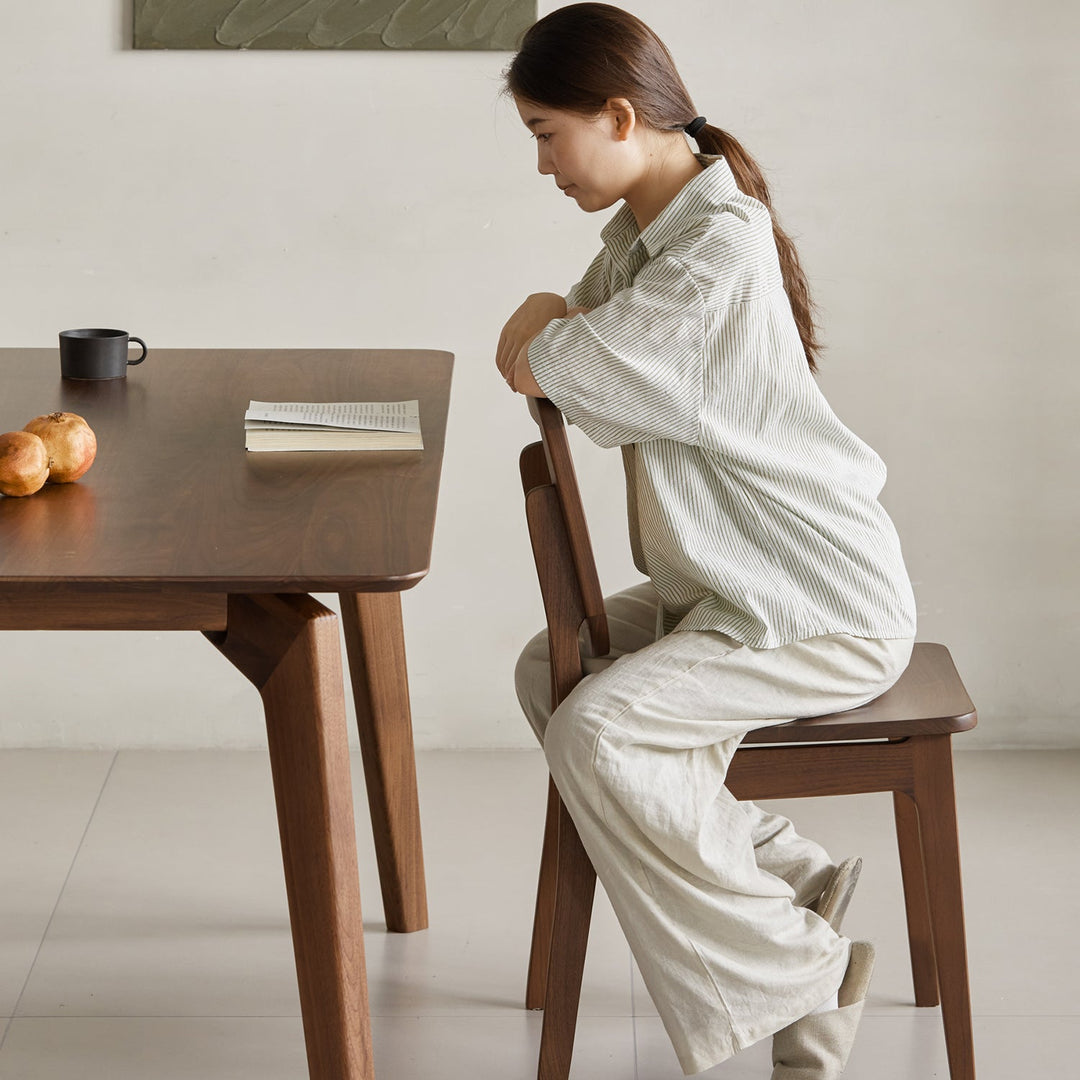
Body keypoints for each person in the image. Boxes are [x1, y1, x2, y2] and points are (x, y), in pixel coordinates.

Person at [495, 5, 916, 1078]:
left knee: (598, 733)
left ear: (620, 116)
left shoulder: (710, 255)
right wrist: (547, 327)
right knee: (554, 674)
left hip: (812, 602)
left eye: (549, 133)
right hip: (730, 585)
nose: (543, 164)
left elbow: (542, 359)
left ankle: (802, 975)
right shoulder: (658, 233)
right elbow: (554, 341)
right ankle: (787, 880)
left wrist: (542, 325)